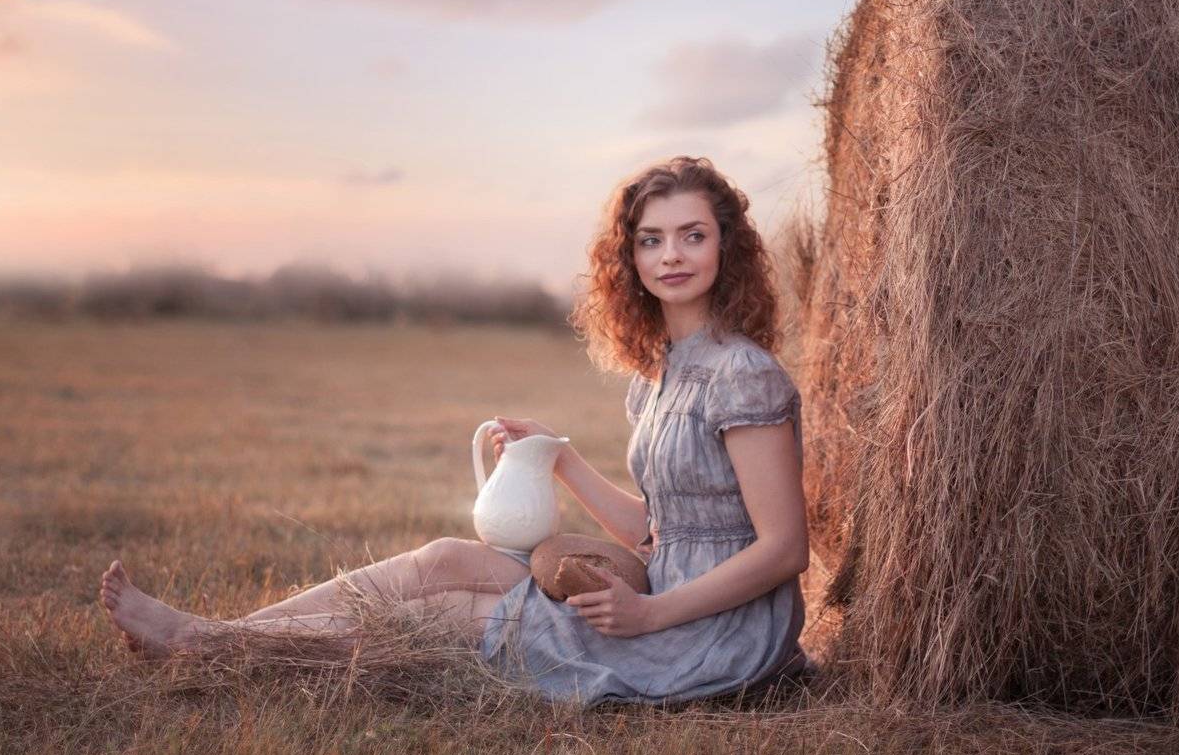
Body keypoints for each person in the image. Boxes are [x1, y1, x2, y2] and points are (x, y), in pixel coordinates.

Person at [97, 155, 811, 706]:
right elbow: (661, 531)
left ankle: (207, 645)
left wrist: (650, 613)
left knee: (447, 616)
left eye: (693, 235)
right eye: (652, 240)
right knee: (441, 558)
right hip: (662, 591)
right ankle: (218, 638)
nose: (672, 255)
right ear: (630, 259)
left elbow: (784, 550)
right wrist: (557, 458)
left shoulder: (742, 374)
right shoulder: (656, 376)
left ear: (727, 248)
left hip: (719, 632)